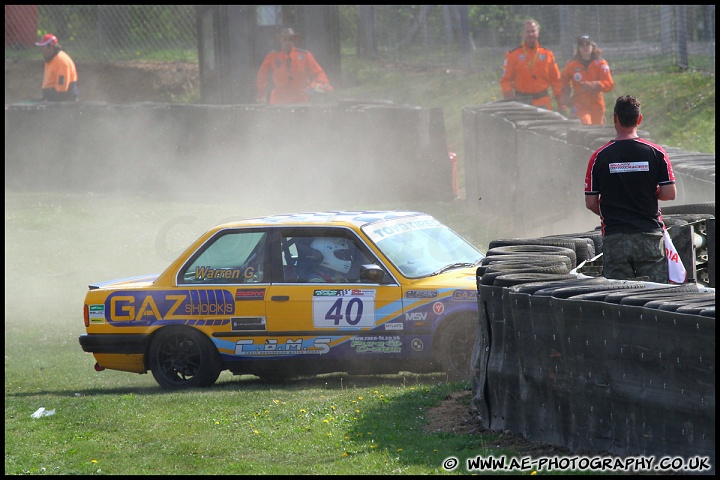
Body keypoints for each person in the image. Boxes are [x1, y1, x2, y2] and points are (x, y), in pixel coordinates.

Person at [584, 95, 677, 283]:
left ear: (615, 118)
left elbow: (591, 202)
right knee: (655, 295)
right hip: (649, 234)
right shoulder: (656, 152)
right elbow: (669, 193)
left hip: (615, 236)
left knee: (619, 298)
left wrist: (612, 212)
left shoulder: (599, 157)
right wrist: (647, 195)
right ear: (639, 119)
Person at [500, 19, 564, 111]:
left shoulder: (547, 54)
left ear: (538, 33)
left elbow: (556, 81)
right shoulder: (513, 55)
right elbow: (505, 81)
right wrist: (510, 102)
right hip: (521, 102)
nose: (531, 34)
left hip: (543, 102)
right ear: (522, 34)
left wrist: (561, 104)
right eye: (527, 32)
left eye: (533, 31)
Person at [256, 28, 332, 105]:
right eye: (284, 40)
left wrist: (317, 86)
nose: (287, 42)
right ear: (280, 41)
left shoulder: (305, 55)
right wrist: (261, 90)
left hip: (301, 99)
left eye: (290, 39)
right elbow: (262, 75)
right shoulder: (272, 56)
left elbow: (319, 73)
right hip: (279, 99)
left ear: (294, 41)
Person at [560, 35, 614, 125]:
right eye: (582, 45)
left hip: (597, 104)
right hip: (580, 103)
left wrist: (594, 85)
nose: (585, 47)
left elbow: (609, 84)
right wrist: (566, 94)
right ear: (578, 48)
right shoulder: (572, 64)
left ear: (592, 46)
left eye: (587, 44)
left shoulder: (601, 63)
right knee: (585, 124)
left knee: (597, 131)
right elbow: (563, 79)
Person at [35, 33, 79, 102]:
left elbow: (61, 88)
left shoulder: (61, 61)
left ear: (51, 47)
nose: (41, 49)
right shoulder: (50, 59)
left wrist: (49, 101)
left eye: (43, 46)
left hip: (65, 101)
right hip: (54, 99)